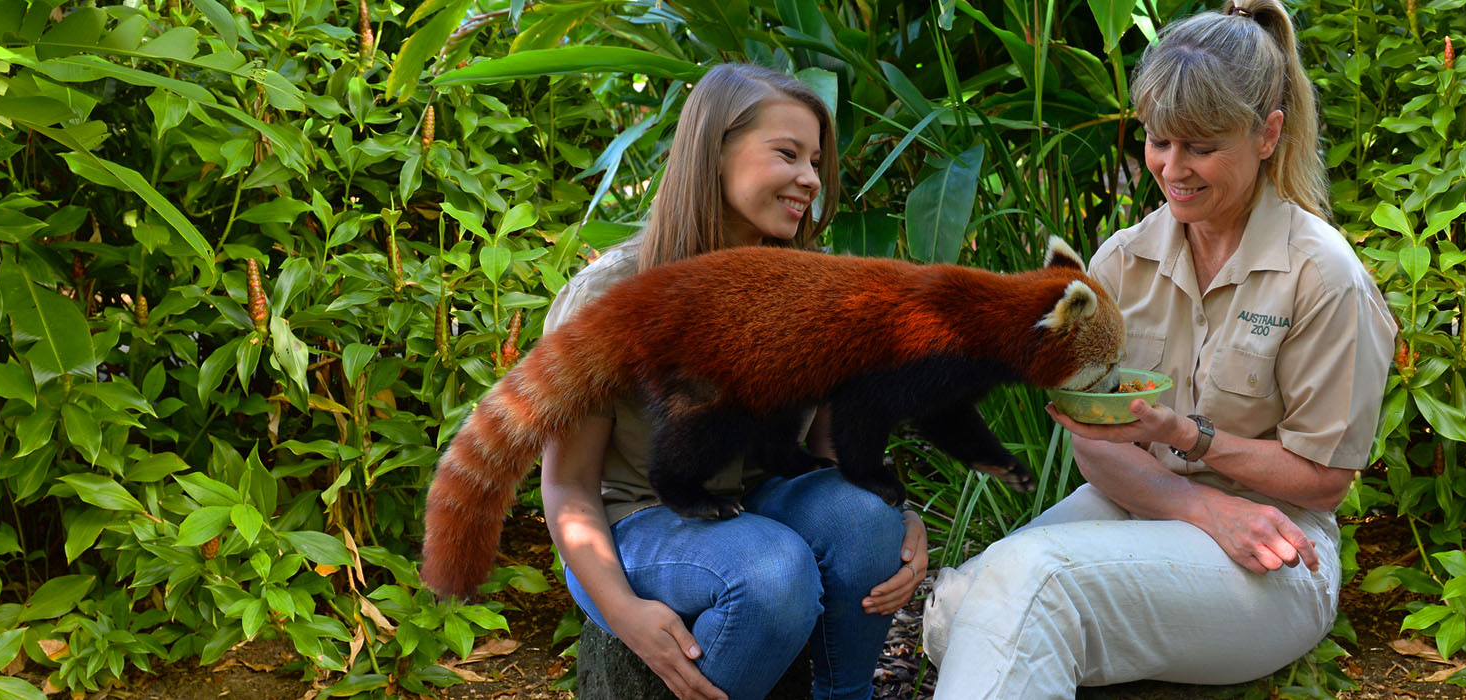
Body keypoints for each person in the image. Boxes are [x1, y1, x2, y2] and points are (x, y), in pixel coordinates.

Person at [920, 0, 1397, 694]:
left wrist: (1189, 437)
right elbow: (1096, 439)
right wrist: (1197, 506)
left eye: (1201, 146)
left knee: (1034, 587)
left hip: (1280, 544)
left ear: (1267, 134)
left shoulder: (1322, 275)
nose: (1173, 168)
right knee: (953, 612)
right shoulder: (1122, 259)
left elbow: (1324, 478)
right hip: (1142, 504)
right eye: (1158, 140)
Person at [541, 63, 930, 700]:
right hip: (633, 522)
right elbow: (569, 486)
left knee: (865, 523)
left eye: (815, 161)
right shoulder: (610, 296)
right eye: (788, 154)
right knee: (771, 572)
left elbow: (831, 458)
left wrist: (893, 517)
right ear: (713, 152)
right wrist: (625, 614)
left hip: (759, 498)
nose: (810, 179)